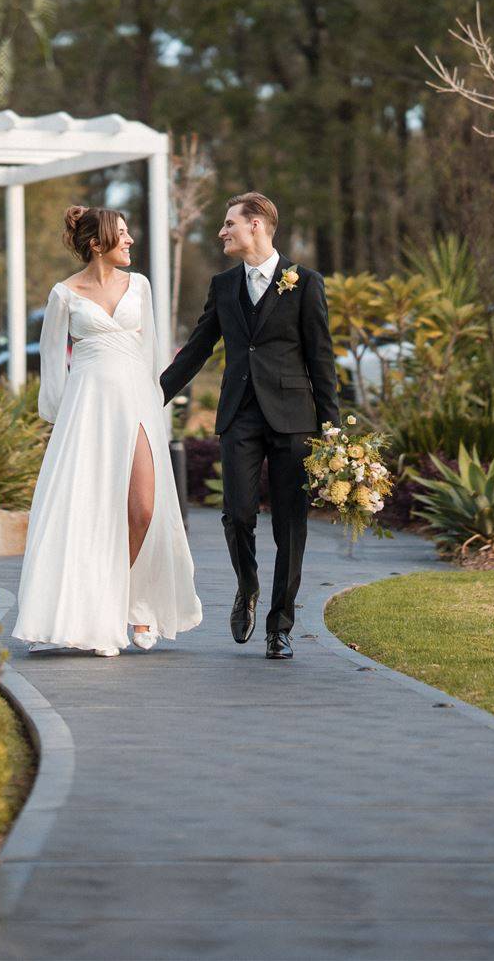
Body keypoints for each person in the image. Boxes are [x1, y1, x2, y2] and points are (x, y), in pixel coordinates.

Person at [13, 206, 201, 656]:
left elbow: (155, 353)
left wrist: (157, 411)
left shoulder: (140, 286)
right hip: (87, 412)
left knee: (143, 508)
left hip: (137, 405)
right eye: (122, 234)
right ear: (96, 244)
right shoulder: (63, 295)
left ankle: (132, 599)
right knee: (87, 513)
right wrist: (62, 423)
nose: (131, 240)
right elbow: (53, 367)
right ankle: (100, 612)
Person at [160, 192, 337, 660]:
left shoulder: (305, 282)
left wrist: (333, 430)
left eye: (229, 224)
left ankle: (280, 626)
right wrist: (150, 395)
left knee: (290, 526)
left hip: (294, 420)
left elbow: (322, 359)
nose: (222, 232)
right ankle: (248, 586)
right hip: (239, 414)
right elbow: (196, 349)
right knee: (237, 514)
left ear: (256, 225)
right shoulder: (222, 286)